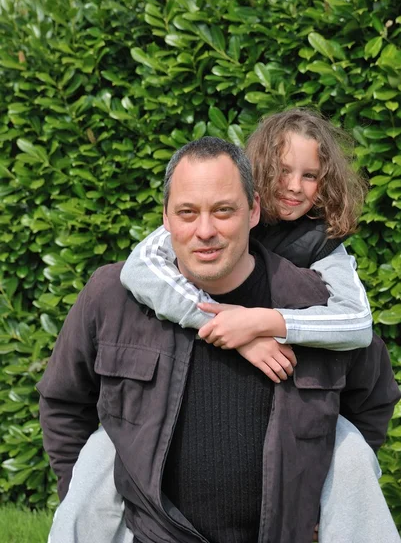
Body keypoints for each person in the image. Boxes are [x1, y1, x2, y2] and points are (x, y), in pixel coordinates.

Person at [39, 136, 400, 543]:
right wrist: (81, 500)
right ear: (166, 218)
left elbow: (373, 401)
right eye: (187, 213)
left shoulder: (314, 302)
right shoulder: (112, 298)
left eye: (224, 210)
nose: (205, 231)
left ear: (253, 211)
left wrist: (328, 504)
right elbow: (64, 404)